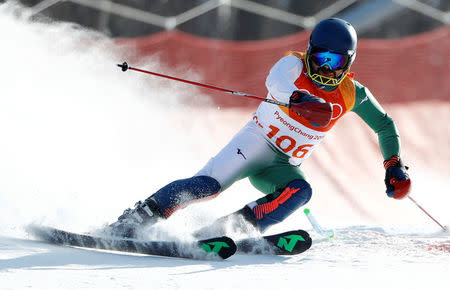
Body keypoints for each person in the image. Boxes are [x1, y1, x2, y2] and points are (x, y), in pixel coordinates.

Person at [107, 18, 411, 239]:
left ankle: (225, 230)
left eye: (334, 61)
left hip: (281, 166)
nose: (325, 69)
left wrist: (394, 164)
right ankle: (136, 218)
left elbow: (384, 125)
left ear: (348, 62)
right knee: (207, 186)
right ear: (309, 52)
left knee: (300, 191)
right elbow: (275, 82)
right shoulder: (293, 66)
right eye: (319, 58)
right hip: (253, 146)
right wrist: (299, 99)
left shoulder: (352, 93)